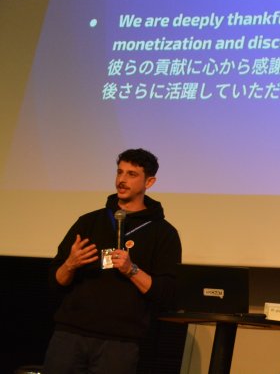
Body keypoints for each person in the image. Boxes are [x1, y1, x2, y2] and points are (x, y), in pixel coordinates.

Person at [43, 148, 182, 374]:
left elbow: (167, 293)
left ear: (150, 182)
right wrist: (70, 264)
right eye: (119, 172)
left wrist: (131, 270)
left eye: (131, 174)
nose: (122, 180)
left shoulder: (163, 233)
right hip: (70, 335)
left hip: (120, 343)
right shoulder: (88, 222)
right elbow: (55, 281)